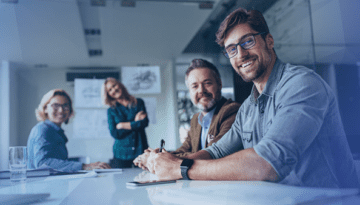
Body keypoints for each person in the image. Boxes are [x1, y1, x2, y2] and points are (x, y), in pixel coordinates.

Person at [143, 7, 359, 188]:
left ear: (269, 41)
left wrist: (181, 169)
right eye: (232, 50)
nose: (241, 55)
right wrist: (168, 161)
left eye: (247, 42)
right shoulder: (249, 107)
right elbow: (217, 151)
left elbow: (268, 163)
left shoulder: (302, 84)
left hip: (331, 200)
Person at [133, 59, 240, 168]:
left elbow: (213, 153)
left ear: (219, 84)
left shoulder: (231, 111)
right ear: (189, 91)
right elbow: (184, 149)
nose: (201, 90)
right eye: (195, 86)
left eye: (207, 83)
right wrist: (158, 155)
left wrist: (161, 159)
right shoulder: (196, 119)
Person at [27, 89, 110, 172]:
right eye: (55, 105)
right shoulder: (42, 130)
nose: (61, 110)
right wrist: (84, 166)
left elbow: (57, 160)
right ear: (45, 108)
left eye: (65, 106)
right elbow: (42, 163)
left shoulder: (55, 131)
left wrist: (89, 164)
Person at [102, 77, 149, 168]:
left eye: (114, 85)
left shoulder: (138, 102)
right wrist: (135, 122)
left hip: (140, 150)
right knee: (120, 181)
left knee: (144, 178)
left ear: (119, 84)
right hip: (121, 154)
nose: (114, 90)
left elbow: (144, 123)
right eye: (110, 90)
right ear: (108, 94)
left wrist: (122, 125)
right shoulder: (111, 110)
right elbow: (115, 133)